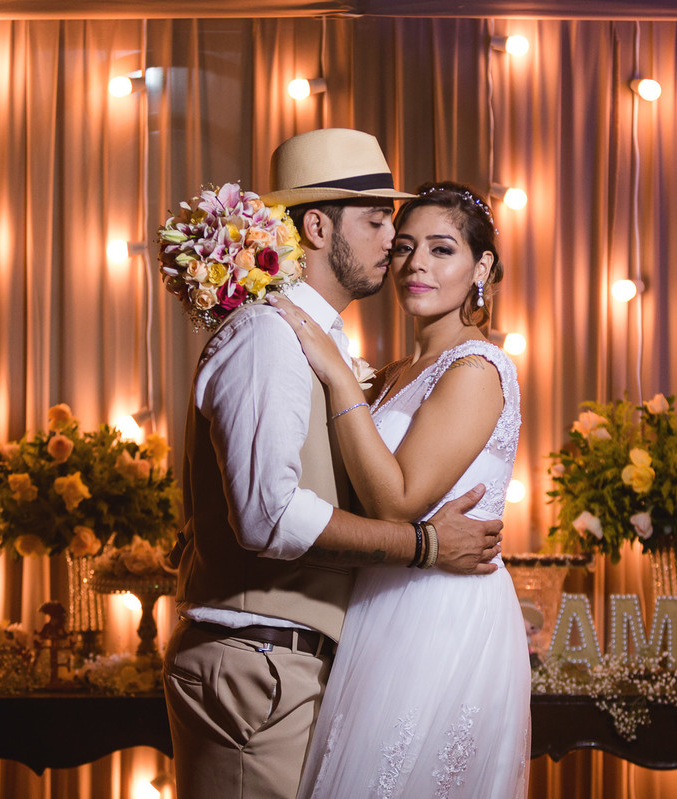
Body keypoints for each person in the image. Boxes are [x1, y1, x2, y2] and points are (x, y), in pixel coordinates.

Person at [163, 130, 505, 799]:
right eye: (379, 222)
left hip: (294, 667)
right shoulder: (270, 334)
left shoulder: (326, 344)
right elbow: (268, 517)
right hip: (257, 664)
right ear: (317, 226)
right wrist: (426, 544)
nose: (395, 243)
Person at [268, 181, 531, 798]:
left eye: (442, 250)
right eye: (405, 247)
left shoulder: (477, 369)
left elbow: (397, 501)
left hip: (442, 612)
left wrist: (336, 374)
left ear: (481, 266)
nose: (416, 265)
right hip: (378, 599)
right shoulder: (395, 375)